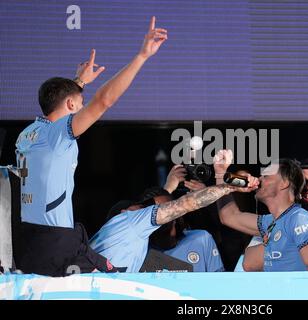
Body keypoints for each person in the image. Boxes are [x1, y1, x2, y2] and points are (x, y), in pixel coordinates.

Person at [14, 16, 168, 276]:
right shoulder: (57, 134)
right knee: (112, 281)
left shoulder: (29, 133)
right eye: (79, 104)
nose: (83, 109)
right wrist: (142, 56)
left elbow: (65, 102)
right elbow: (104, 100)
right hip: (55, 246)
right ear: (72, 106)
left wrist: (79, 82)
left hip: (31, 240)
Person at [89, 181, 252, 272]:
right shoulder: (131, 222)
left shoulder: (108, 236)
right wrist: (227, 186)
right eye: (139, 209)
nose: (143, 211)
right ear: (124, 213)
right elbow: (185, 204)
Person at [214, 149, 308, 272]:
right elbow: (229, 216)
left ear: (284, 183)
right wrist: (220, 173)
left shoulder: (299, 218)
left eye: (265, 176)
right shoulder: (271, 222)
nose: (259, 179)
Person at [147, 187, 225, 272]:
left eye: (171, 212)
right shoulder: (140, 248)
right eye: (160, 215)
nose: (167, 217)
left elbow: (217, 281)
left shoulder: (201, 238)